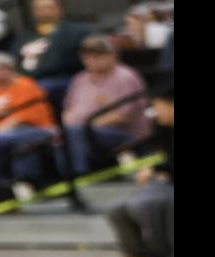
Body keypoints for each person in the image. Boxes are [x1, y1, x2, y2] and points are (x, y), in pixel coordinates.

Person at [102, 87, 172, 257]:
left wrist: (158, 170)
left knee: (147, 205)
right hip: (166, 182)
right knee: (117, 209)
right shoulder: (163, 129)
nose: (155, 112)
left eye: (158, 106)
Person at [61, 36, 150, 173]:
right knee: (59, 133)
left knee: (76, 131)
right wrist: (69, 122)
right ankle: (61, 176)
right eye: (86, 57)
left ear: (112, 55)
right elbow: (67, 108)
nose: (91, 60)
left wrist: (87, 126)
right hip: (82, 129)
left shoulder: (125, 76)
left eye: (97, 56)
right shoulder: (80, 78)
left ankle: (79, 173)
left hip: (123, 132)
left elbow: (123, 116)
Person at [0, 53, 56, 191]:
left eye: (1, 68)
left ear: (11, 69)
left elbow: (30, 112)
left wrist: (6, 125)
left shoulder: (25, 84)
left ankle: (24, 181)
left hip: (32, 128)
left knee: (17, 138)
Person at [17, 0, 95, 107]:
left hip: (67, 78)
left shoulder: (77, 32)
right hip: (29, 81)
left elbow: (87, 57)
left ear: (59, 9)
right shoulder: (25, 36)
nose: (43, 11)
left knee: (39, 89)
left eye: (47, 7)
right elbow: (14, 60)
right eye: (38, 8)